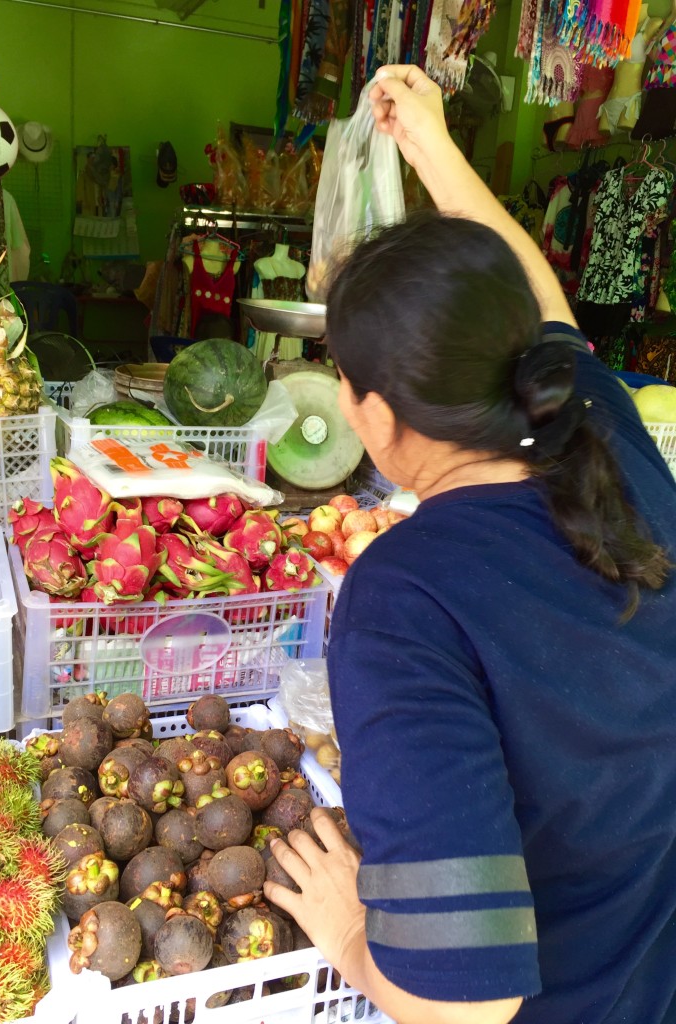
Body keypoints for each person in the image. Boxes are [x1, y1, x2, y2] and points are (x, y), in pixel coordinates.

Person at [263, 64, 676, 1024]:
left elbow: (466, 1003)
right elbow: (542, 300)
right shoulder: (600, 427)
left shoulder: (404, 597)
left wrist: (349, 935)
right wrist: (431, 149)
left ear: (369, 416)